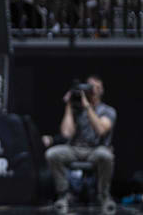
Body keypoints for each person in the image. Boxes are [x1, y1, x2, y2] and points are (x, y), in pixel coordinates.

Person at [45, 75, 117, 215]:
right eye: (89, 86)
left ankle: (103, 195)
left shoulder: (108, 110)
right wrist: (69, 105)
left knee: (106, 156)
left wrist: (88, 107)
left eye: (96, 87)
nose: (92, 90)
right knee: (52, 154)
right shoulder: (76, 109)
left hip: (96, 150)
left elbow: (101, 130)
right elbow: (66, 133)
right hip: (75, 149)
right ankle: (63, 194)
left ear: (101, 90)